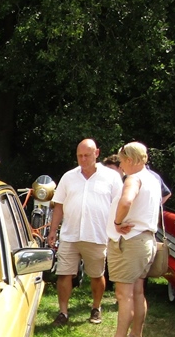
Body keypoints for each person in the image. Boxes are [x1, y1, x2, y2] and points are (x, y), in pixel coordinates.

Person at [93, 141, 161, 337]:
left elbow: (126, 201)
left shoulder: (134, 178)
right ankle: (135, 335)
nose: (121, 166)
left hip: (130, 242)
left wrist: (117, 222)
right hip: (146, 241)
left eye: (122, 161)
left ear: (130, 160)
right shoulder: (153, 179)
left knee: (124, 295)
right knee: (138, 291)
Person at [47, 138, 123, 325]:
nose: (83, 159)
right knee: (64, 274)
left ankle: (96, 308)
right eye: (79, 156)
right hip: (70, 234)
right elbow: (59, 205)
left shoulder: (112, 177)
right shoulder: (68, 177)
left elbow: (120, 205)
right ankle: (63, 312)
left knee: (96, 275)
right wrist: (53, 230)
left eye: (87, 155)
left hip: (97, 235)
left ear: (96, 153)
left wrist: (118, 229)